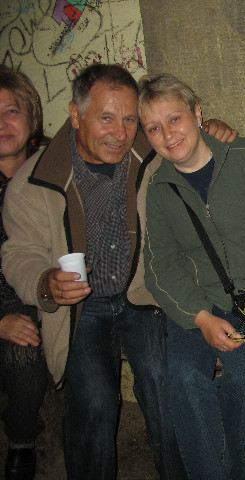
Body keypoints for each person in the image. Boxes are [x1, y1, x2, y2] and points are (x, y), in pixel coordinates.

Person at [0, 63, 236, 480]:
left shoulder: (150, 153)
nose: (120, 133)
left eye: (129, 120)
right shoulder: (34, 181)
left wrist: (211, 129)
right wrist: (45, 283)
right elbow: (19, 252)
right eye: (105, 118)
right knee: (95, 399)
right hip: (80, 307)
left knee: (163, 386)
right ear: (76, 115)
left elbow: (186, 141)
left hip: (141, 292)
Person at [138, 72, 245, 479]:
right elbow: (160, 265)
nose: (168, 134)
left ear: (197, 113)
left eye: (175, 119)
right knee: (183, 378)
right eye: (153, 128)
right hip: (197, 302)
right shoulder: (160, 188)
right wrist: (201, 317)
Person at [0, 66, 48, 480]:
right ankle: (21, 440)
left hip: (45, 285)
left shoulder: (57, 162)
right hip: (3, 299)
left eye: (11, 111)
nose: (1, 123)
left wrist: (203, 129)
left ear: (31, 116)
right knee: (21, 348)